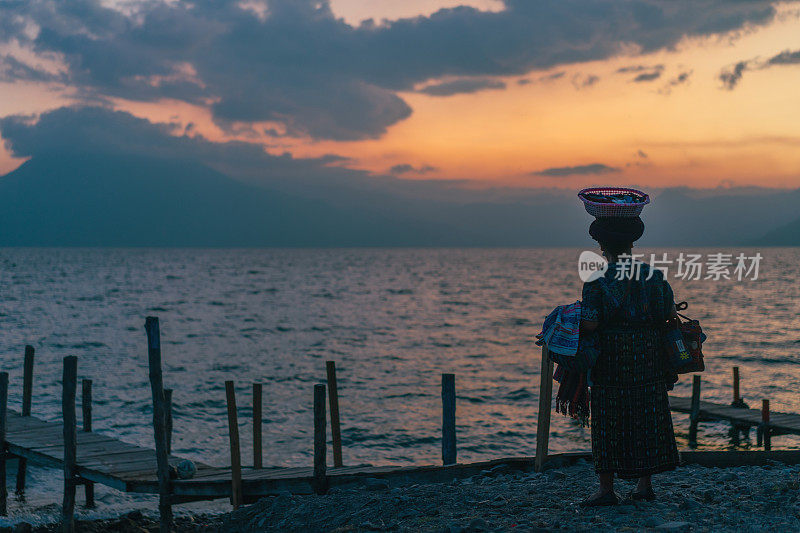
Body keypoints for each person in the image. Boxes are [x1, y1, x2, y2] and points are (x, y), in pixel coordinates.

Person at [578, 216, 679, 506]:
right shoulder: (654, 276)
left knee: (609, 419)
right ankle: (644, 486)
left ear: (601, 245)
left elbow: (591, 325)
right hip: (648, 356)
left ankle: (606, 489)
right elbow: (670, 315)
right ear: (632, 244)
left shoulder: (597, 280)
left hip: (611, 359)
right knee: (647, 416)